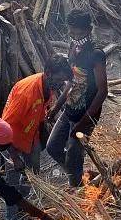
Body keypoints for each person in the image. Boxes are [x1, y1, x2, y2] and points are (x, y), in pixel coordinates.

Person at [0, 57, 72, 220]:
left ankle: (25, 207)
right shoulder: (27, 92)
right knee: (13, 182)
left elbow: (41, 112)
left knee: (33, 173)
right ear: (48, 74)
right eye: (58, 80)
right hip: (13, 141)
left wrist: (42, 132)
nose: (60, 84)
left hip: (30, 137)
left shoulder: (48, 87)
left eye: (62, 80)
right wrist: (15, 157)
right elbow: (4, 127)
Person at [46, 10, 107, 188]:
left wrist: (84, 122)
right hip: (70, 108)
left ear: (89, 30)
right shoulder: (72, 47)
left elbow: (102, 91)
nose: (75, 36)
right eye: (72, 32)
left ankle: (76, 185)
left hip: (86, 113)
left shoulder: (96, 54)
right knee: (53, 147)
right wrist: (57, 107)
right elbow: (71, 82)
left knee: (74, 152)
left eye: (79, 33)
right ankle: (76, 177)